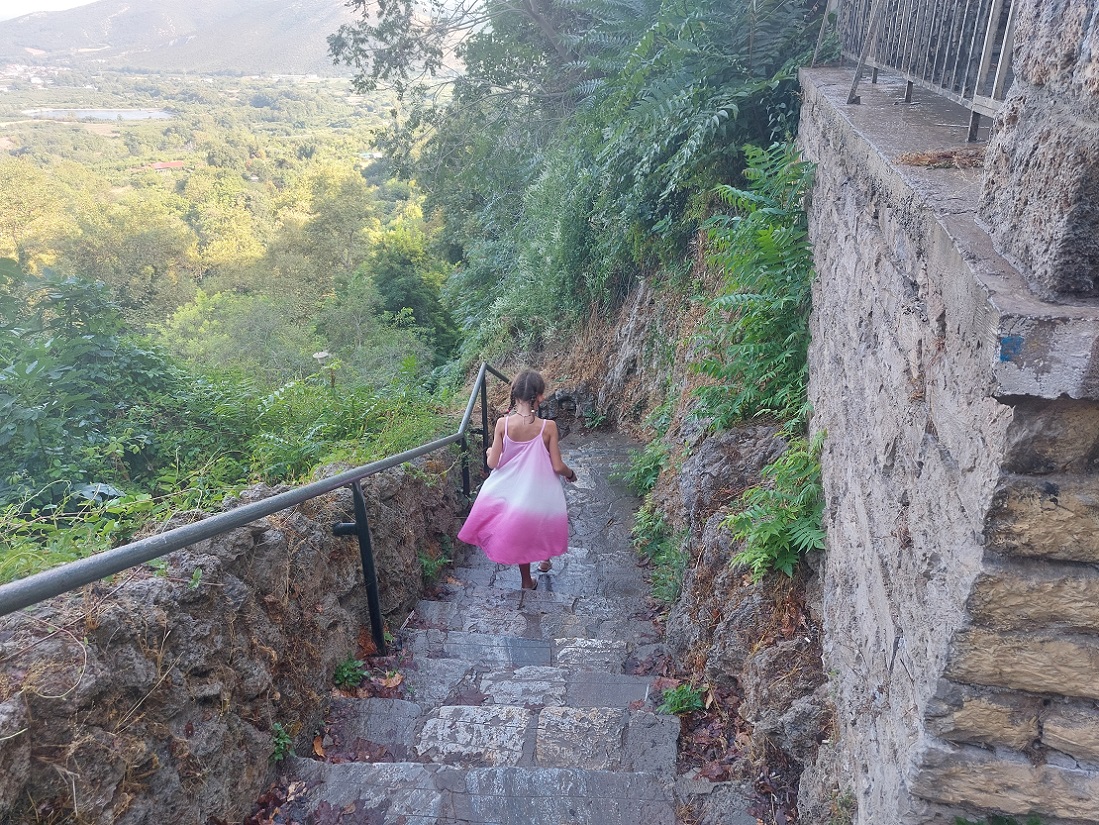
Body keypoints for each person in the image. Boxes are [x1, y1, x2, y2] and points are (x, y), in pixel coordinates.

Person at [457, 370, 577, 590]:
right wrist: (570, 474)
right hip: (541, 488)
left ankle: (526, 581)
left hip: (514, 489)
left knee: (523, 530)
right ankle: (545, 560)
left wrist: (489, 452)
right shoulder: (548, 427)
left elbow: (493, 463)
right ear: (539, 397)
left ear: (514, 393)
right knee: (543, 521)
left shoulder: (503, 424)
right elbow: (558, 466)